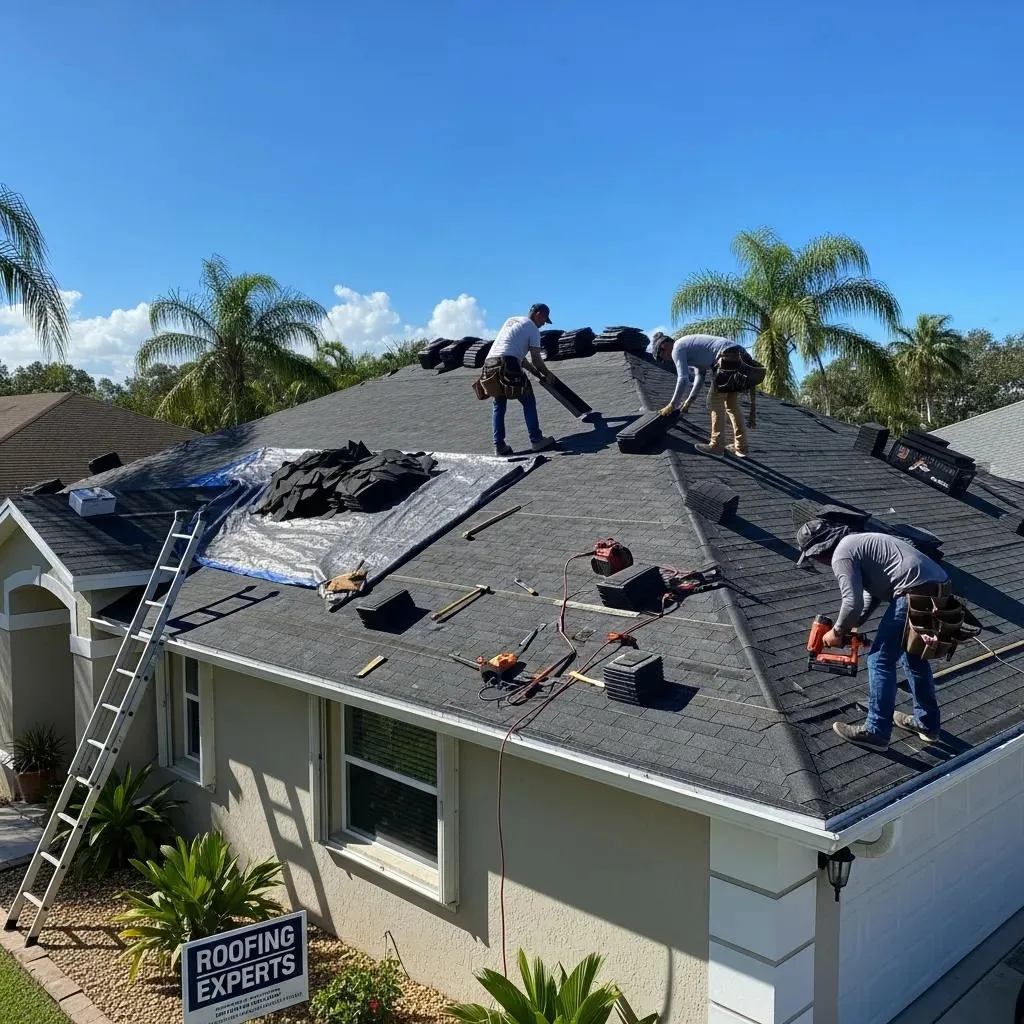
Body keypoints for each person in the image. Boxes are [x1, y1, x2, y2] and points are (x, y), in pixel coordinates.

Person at [795, 519, 952, 751]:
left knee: (879, 660)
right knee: (913, 658)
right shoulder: (859, 542)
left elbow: (852, 602)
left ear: (819, 552)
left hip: (913, 593)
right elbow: (872, 596)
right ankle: (927, 724)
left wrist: (837, 631)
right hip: (939, 590)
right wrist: (853, 625)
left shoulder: (842, 554)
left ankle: (877, 731)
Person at [651, 333, 756, 457]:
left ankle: (716, 446)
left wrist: (672, 404)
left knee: (714, 401)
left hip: (728, 357)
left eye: (661, 356)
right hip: (742, 359)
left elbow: (683, 379)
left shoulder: (677, 348)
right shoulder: (692, 349)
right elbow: (699, 378)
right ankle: (741, 447)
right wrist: (689, 401)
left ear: (664, 346)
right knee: (731, 405)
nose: (664, 360)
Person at [478, 303, 556, 456]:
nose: (543, 325)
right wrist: (547, 374)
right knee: (528, 400)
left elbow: (520, 357)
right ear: (539, 314)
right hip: (508, 363)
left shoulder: (512, 321)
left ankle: (499, 446)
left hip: (489, 364)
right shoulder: (532, 328)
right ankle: (536, 440)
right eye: (544, 320)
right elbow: (536, 359)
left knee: (499, 404)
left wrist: (535, 373)